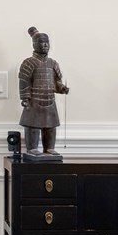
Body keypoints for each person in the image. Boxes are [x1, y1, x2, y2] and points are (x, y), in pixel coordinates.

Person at [18, 27, 69, 155]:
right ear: (34, 44)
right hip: (34, 100)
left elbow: (56, 82)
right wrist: (25, 98)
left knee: (50, 126)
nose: (45, 45)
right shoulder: (29, 63)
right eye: (41, 42)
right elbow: (24, 81)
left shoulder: (53, 63)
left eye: (47, 42)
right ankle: (32, 148)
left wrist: (61, 88)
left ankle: (49, 147)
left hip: (50, 100)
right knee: (33, 125)